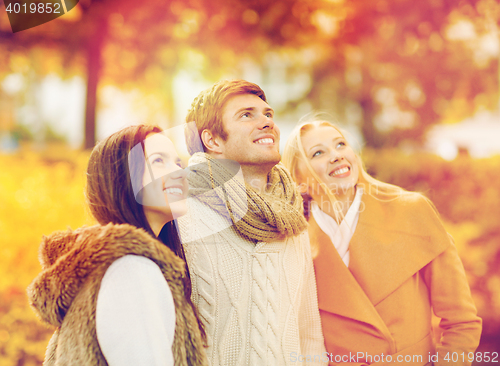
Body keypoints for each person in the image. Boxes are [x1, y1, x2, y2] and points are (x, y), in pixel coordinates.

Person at [282, 119, 482, 366]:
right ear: (299, 179)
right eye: (318, 152)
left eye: (341, 145)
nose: (336, 156)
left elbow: (461, 320)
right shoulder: (293, 243)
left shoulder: (411, 211)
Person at [27, 125, 207, 366]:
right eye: (159, 161)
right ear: (122, 178)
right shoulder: (132, 271)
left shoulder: (118, 265)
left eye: (178, 163)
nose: (179, 173)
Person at [178, 80, 327, 365]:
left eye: (268, 114)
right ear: (212, 141)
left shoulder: (293, 221)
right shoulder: (181, 216)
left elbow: (309, 335)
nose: (267, 122)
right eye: (247, 115)